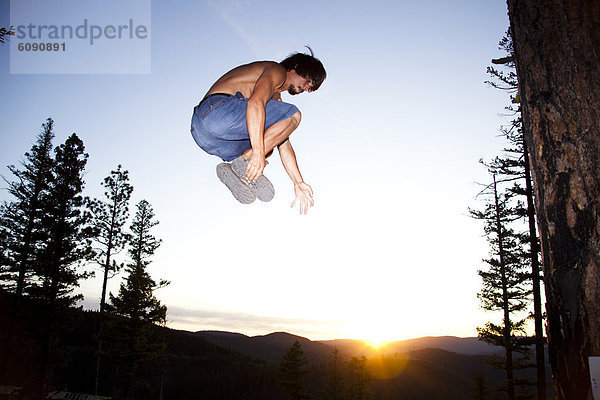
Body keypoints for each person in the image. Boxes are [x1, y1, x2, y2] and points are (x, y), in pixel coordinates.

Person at [190, 49, 326, 214]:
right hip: (217, 111)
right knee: (293, 115)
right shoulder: (276, 71)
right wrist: (256, 154)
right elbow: (255, 103)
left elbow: (283, 143)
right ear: (296, 67)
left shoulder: (275, 99)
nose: (305, 88)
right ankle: (246, 161)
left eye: (309, 88)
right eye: (307, 81)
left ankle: (238, 170)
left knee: (270, 141)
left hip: (206, 136)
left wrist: (298, 182)